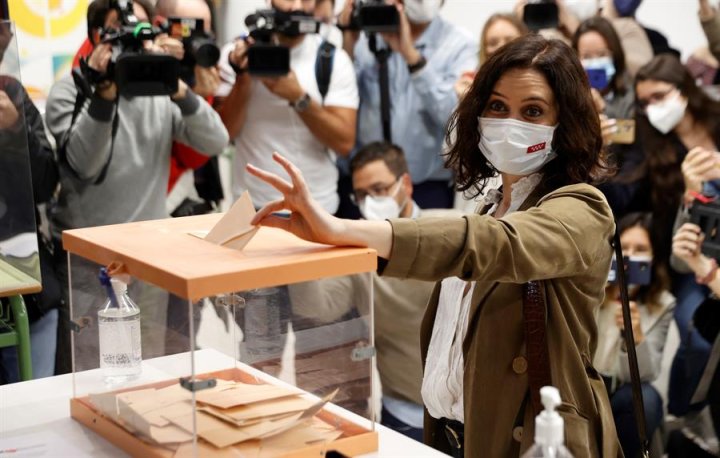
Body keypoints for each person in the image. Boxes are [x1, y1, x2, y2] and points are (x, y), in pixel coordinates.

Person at [245, 34, 621, 456]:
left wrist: (340, 229)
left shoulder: (582, 208)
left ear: (564, 123)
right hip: (455, 436)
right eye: (497, 107)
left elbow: (495, 245)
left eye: (532, 111)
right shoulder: (488, 209)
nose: (510, 123)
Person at [45, 0, 229, 374]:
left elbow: (215, 140)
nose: (132, 44)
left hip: (148, 258)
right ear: (97, 38)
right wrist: (104, 94)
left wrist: (178, 87)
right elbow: (85, 163)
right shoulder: (68, 92)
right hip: (87, 262)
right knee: (88, 372)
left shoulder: (159, 93)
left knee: (148, 369)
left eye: (141, 35)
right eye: (120, 34)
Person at [216, 0, 357, 215]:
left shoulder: (333, 60)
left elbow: (344, 142)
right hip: (251, 206)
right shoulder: (237, 54)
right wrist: (243, 80)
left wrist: (299, 98)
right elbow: (223, 135)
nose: (296, 7)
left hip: (317, 207)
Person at [338, 0, 477, 210]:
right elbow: (342, 101)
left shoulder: (460, 43)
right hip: (363, 185)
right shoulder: (366, 36)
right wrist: (348, 39)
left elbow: (454, 119)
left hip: (427, 186)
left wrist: (410, 55)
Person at [0, 22, 60, 383]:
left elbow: (44, 186)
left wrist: (14, 130)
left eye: (3, 29)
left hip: (26, 289)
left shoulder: (12, 93)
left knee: (33, 413)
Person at [594, 212, 674, 458]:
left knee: (648, 400)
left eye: (640, 249)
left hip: (621, 391)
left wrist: (636, 338)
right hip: (586, 385)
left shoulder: (663, 304)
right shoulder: (591, 289)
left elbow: (648, 375)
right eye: (623, 247)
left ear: (653, 258)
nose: (629, 256)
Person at [454, 13, 527, 100]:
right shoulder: (477, 85)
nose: (501, 47)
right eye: (493, 43)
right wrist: (467, 101)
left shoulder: (538, 80)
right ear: (484, 49)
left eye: (510, 40)